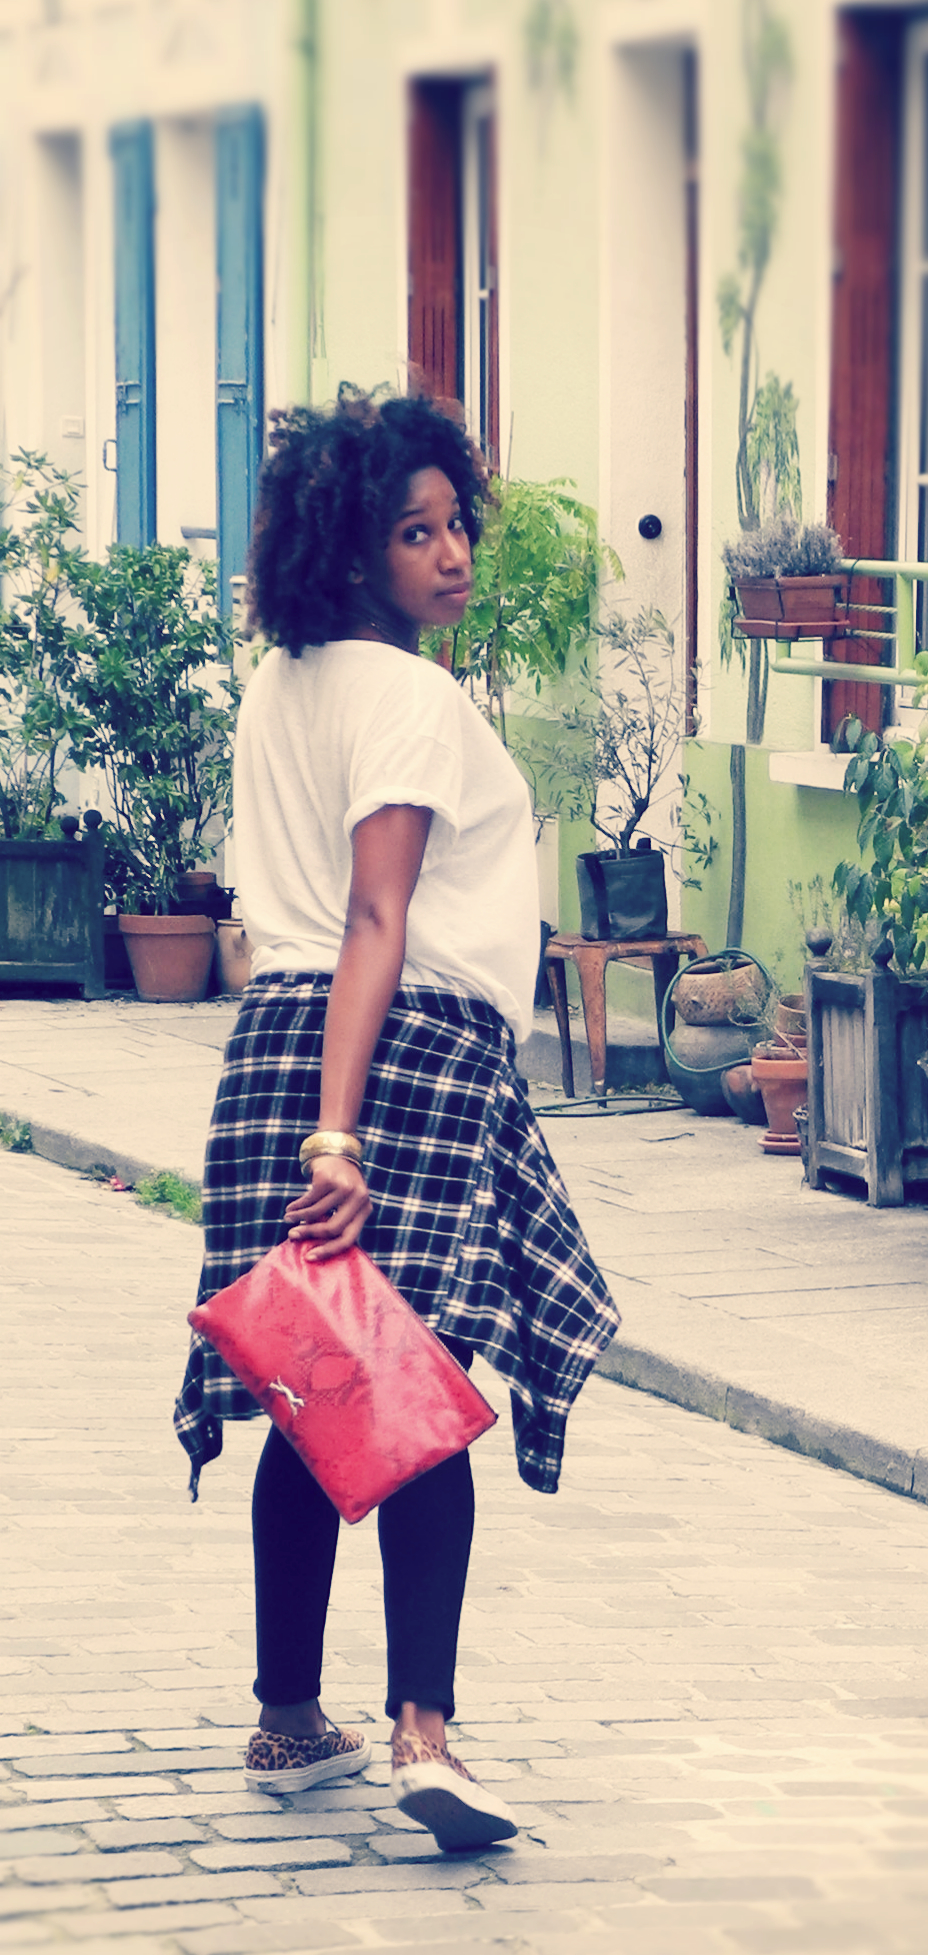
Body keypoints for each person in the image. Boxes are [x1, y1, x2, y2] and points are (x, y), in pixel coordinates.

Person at [175, 388, 620, 1853]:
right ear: (351, 547)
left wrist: (308, 1108)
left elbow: (290, 916)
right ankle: (423, 1734)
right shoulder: (412, 699)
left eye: (455, 525)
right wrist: (340, 1137)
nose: (452, 554)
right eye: (414, 532)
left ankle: (289, 1715)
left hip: (275, 1044)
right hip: (396, 1059)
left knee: (315, 1400)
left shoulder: (278, 686)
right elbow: (380, 915)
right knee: (417, 1405)